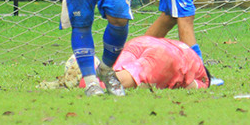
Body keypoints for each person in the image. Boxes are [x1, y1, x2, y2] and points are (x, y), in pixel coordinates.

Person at [73, 36, 210, 90]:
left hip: (143, 42)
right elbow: (194, 85)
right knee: (117, 81)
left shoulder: (189, 53)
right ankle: (88, 81)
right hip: (165, 55)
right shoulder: (203, 77)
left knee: (111, 70)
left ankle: (88, 67)